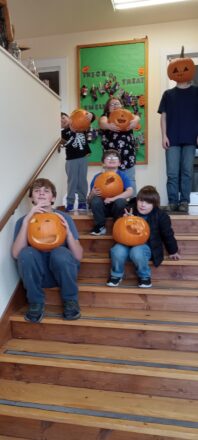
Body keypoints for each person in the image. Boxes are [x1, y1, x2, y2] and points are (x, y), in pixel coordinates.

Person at [12, 178, 83, 323]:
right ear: (31, 198)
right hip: (38, 275)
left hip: (62, 272)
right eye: (37, 191)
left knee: (60, 252)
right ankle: (35, 303)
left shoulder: (64, 218)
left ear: (53, 197)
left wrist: (68, 232)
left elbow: (78, 256)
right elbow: (16, 254)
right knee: (27, 253)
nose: (42, 194)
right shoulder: (23, 221)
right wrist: (27, 222)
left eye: (46, 191)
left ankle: (70, 301)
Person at [107, 185, 180, 288]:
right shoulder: (129, 210)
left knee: (136, 251)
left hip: (146, 246)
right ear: (137, 201)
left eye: (147, 202)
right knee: (116, 250)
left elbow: (167, 234)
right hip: (126, 244)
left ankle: (144, 276)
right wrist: (122, 218)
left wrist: (173, 251)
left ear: (154, 204)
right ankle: (116, 274)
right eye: (140, 201)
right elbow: (117, 228)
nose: (143, 205)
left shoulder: (161, 216)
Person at [158, 79, 198, 213]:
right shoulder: (168, 94)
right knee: (172, 173)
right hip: (172, 138)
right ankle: (173, 202)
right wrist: (164, 135)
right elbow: (163, 116)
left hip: (191, 138)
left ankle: (184, 201)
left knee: (187, 171)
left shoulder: (196, 92)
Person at [99, 97, 140, 195]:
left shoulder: (127, 115)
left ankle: (132, 202)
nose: (115, 106)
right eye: (112, 104)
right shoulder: (106, 116)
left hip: (128, 154)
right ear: (108, 108)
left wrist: (136, 120)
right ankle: (113, 201)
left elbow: (137, 117)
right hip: (112, 156)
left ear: (121, 105)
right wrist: (109, 126)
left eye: (117, 103)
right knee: (111, 179)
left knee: (130, 179)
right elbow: (102, 123)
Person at [88, 149, 133, 235]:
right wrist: (92, 194)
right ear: (103, 163)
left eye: (115, 158)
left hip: (117, 208)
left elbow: (130, 191)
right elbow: (89, 200)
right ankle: (100, 226)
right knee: (95, 201)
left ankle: (117, 225)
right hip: (102, 208)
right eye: (108, 158)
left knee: (120, 201)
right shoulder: (97, 177)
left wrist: (112, 199)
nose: (112, 159)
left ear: (119, 163)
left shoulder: (122, 176)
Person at [61, 111, 95, 212]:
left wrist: (91, 115)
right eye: (59, 120)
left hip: (83, 158)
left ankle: (82, 202)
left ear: (69, 117)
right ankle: (70, 202)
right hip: (71, 160)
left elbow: (91, 118)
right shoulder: (63, 133)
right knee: (72, 182)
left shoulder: (82, 127)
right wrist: (71, 131)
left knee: (82, 181)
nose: (62, 120)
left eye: (63, 117)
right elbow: (63, 143)